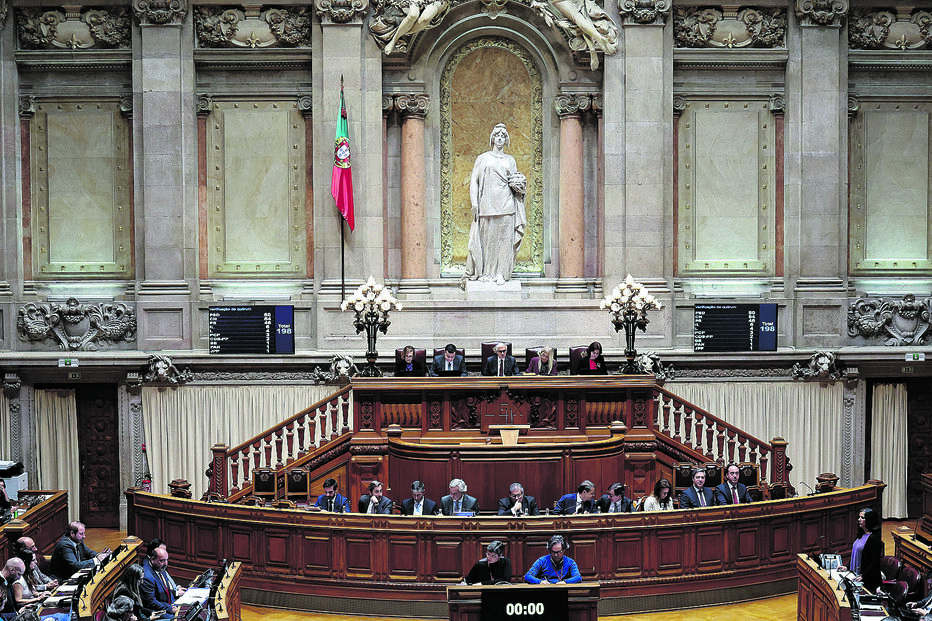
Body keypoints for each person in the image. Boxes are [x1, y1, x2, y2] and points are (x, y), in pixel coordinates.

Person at [464, 123, 527, 285]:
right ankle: (486, 272)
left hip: (506, 205)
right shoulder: (483, 158)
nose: (500, 138)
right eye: (497, 135)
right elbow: (474, 181)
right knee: (488, 242)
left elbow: (515, 182)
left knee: (504, 242)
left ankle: (502, 273)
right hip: (486, 205)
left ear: (506, 140)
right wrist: (474, 203)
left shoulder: (510, 160)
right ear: (492, 138)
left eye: (503, 136)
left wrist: (521, 184)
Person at [839, 507, 883, 593]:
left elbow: (874, 562)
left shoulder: (874, 538)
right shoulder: (861, 534)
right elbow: (856, 553)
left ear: (869, 520)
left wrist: (863, 576)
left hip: (867, 581)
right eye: (859, 517)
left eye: (862, 518)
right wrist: (847, 567)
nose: (859, 520)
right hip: (855, 576)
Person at [140, 545, 182, 616]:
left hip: (168, 605)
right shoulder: (147, 576)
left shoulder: (160, 567)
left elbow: (166, 590)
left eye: (166, 560)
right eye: (162, 560)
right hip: (157, 611)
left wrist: (175, 603)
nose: (165, 563)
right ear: (152, 560)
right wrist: (169, 608)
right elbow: (151, 602)